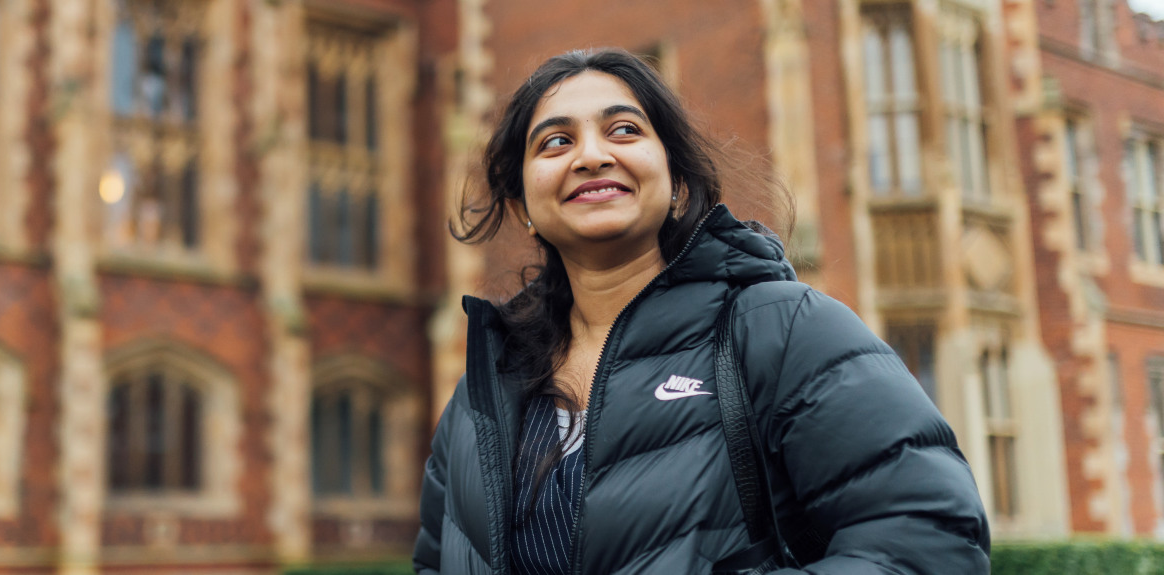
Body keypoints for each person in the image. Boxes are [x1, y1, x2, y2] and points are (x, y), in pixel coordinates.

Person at [413, 48, 990, 574]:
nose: (591, 155)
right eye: (556, 142)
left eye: (624, 130)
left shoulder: (784, 329)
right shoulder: (481, 394)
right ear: (522, 205)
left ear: (677, 182)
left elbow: (930, 543)